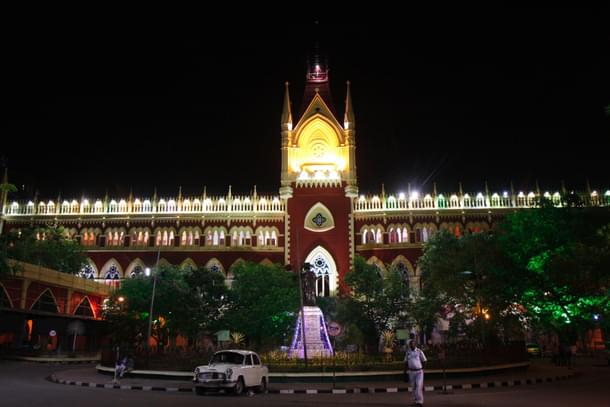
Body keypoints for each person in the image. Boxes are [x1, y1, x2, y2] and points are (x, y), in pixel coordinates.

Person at [404, 339, 427, 406]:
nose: (411, 345)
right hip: (411, 372)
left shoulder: (419, 351)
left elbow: (424, 360)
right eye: (410, 344)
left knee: (419, 386)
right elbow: (405, 362)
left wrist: (423, 369)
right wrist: (405, 372)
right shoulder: (408, 352)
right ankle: (415, 401)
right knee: (413, 387)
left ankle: (420, 401)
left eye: (413, 344)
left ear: (415, 344)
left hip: (419, 372)